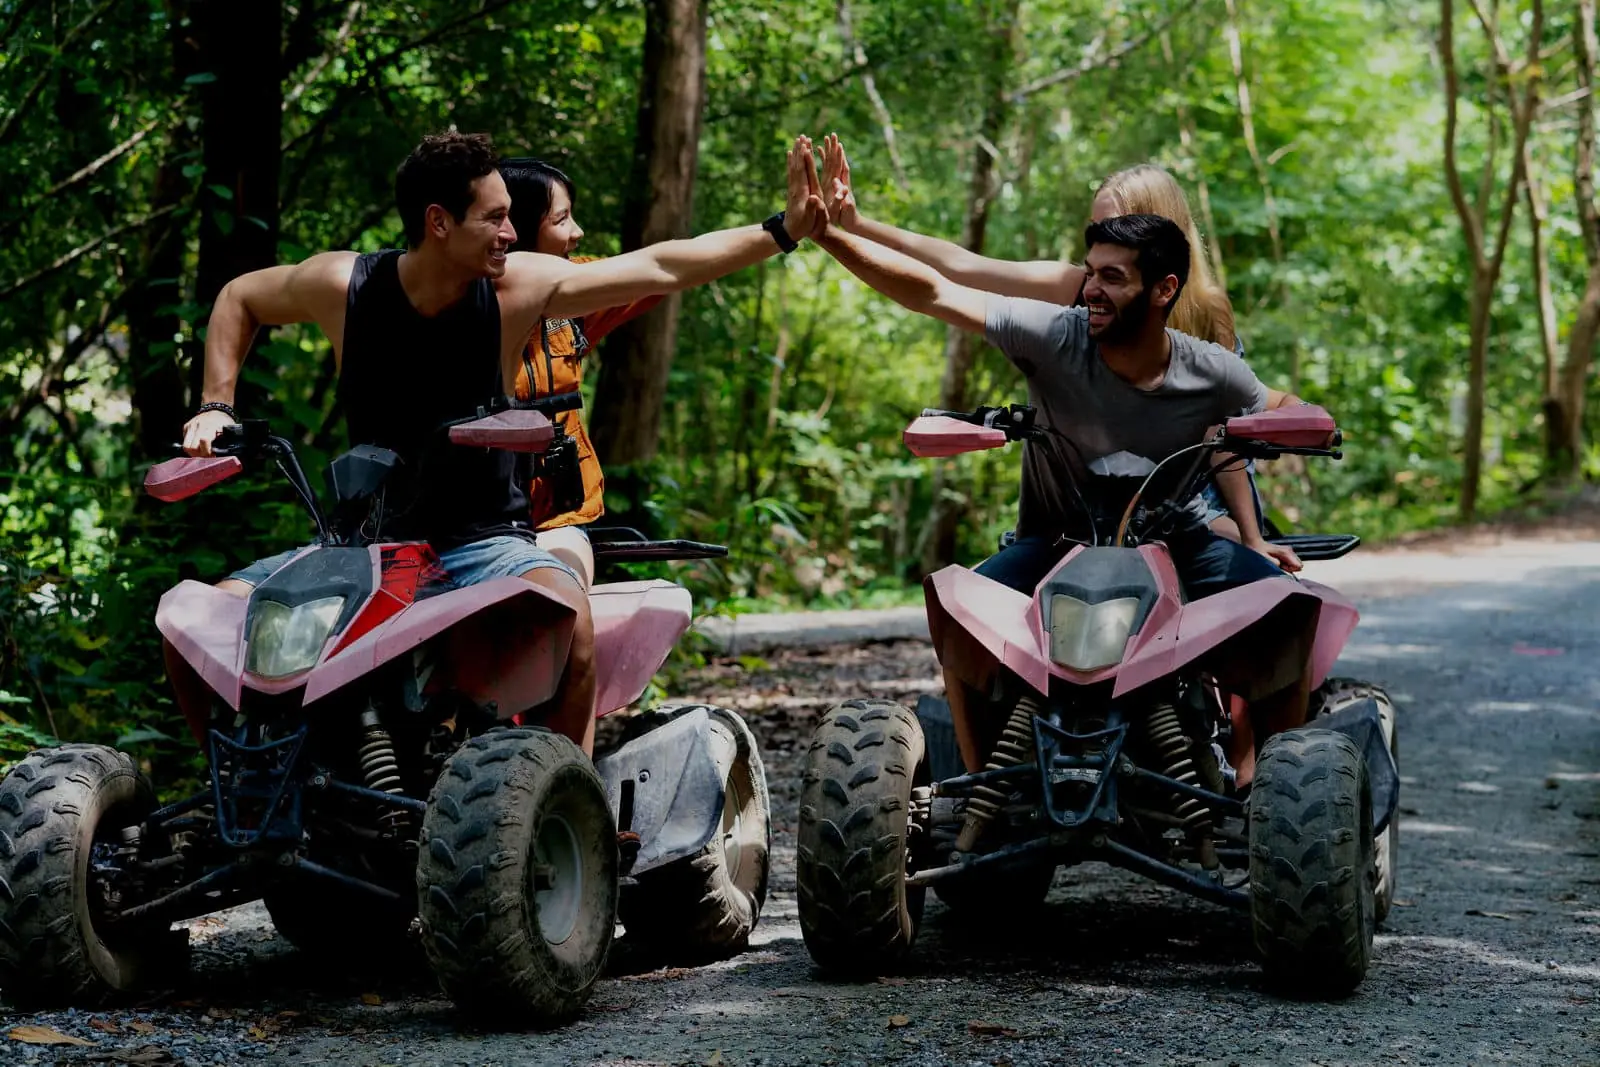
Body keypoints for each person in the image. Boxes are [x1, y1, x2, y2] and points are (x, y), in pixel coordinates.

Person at [180, 131, 826, 755]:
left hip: (484, 543)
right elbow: (240, 297)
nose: (512, 233)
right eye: (494, 218)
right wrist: (216, 405)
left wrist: (781, 231)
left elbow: (659, 265)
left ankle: (555, 800)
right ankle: (238, 785)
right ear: (438, 222)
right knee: (198, 623)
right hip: (363, 550)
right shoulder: (345, 288)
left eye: (512, 218)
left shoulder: (518, 289)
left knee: (571, 620)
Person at [810, 201, 1319, 730]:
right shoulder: (1054, 335)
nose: (1092, 289)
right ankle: (978, 788)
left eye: (1112, 277)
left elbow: (1279, 404)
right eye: (1090, 272)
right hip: (1054, 544)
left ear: (1164, 290)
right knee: (961, 616)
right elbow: (935, 291)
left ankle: (1266, 779)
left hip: (1183, 544)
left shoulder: (1211, 371)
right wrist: (827, 235)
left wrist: (1307, 421)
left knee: (1286, 611)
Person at [819, 137, 1295, 549]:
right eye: (1095, 230)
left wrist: (1248, 530)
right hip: (1086, 502)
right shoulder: (1076, 291)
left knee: (1258, 584)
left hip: (1187, 499)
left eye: (1115, 227)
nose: (1101, 242)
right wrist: (857, 225)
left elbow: (1224, 422)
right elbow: (957, 267)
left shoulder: (1209, 311)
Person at [499, 157, 664, 589]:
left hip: (558, 514)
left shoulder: (579, 290)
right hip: (476, 521)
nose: (577, 232)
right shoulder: (454, 301)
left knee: (565, 604)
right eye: (561, 218)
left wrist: (777, 232)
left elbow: (662, 272)